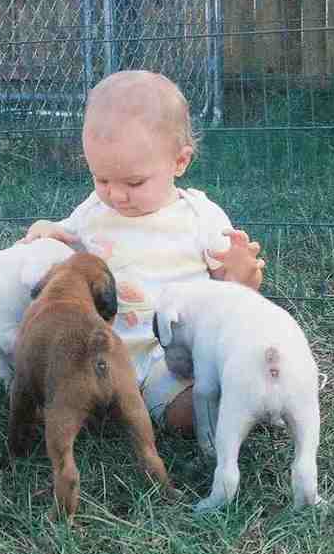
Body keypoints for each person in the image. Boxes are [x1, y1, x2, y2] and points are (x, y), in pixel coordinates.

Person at [21, 70, 265, 435]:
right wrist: (46, 233)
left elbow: (229, 300)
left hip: (174, 360)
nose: (116, 195)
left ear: (179, 162)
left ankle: (234, 404)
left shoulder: (200, 217)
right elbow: (66, 246)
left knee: (190, 410)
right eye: (101, 179)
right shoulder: (93, 212)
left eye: (134, 182)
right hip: (103, 354)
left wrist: (241, 277)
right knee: (55, 398)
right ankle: (97, 407)